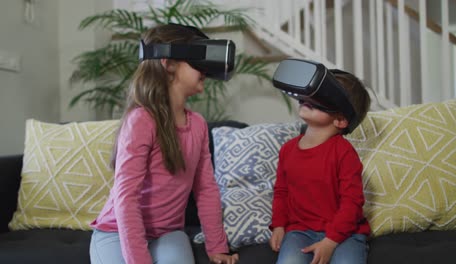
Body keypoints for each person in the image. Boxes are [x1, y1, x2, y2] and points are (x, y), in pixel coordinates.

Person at [89, 23, 238, 264]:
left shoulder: (198, 124)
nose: (205, 68)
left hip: (167, 233)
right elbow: (126, 197)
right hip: (116, 232)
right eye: (196, 59)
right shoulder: (141, 120)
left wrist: (217, 247)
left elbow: (206, 189)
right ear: (168, 64)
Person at [269, 69, 372, 264]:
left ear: (341, 120)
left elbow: (352, 202)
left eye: (323, 95)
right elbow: (281, 192)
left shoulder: (344, 153)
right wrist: (279, 226)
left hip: (345, 235)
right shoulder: (287, 150)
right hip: (299, 232)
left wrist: (331, 241)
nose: (311, 97)